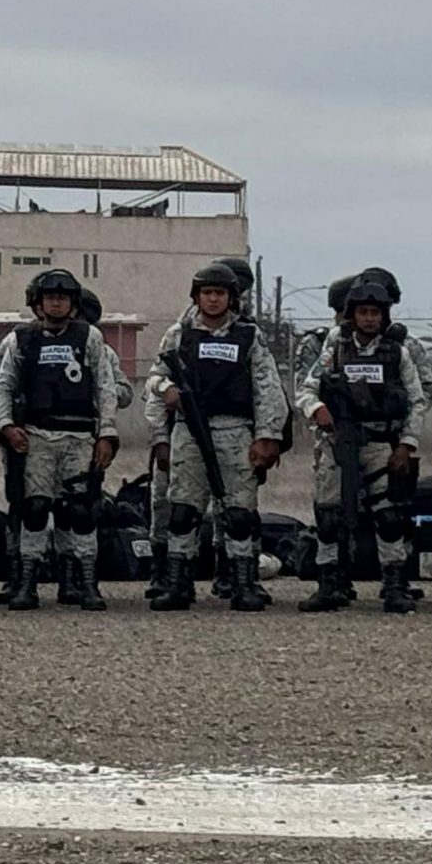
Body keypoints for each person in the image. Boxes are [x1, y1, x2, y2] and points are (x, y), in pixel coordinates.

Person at [143, 261, 287, 611]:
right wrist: (168, 389)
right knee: (183, 511)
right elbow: (154, 376)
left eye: (219, 293)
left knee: (239, 513)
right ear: (196, 296)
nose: (212, 300)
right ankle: (178, 584)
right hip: (189, 432)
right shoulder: (179, 335)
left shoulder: (249, 337)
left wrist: (268, 435)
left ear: (231, 298)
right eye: (206, 293)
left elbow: (267, 389)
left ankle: (243, 583)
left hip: (235, 431)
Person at [0, 266, 123, 611]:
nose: (56, 304)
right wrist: (5, 425)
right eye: (50, 298)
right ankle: (27, 584)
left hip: (79, 436)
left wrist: (106, 433)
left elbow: (107, 388)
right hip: (36, 437)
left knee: (80, 510)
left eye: (62, 298)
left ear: (73, 303)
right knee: (34, 509)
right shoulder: (22, 339)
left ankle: (87, 583)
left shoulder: (90, 339)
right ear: (37, 304)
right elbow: (1, 386)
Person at [296, 268, 430, 613]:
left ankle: (395, 584)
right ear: (351, 314)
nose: (368, 319)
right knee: (328, 517)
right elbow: (307, 388)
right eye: (362, 312)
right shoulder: (335, 349)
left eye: (375, 313)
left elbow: (417, 399)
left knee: (389, 518)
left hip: (381, 444)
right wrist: (317, 409)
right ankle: (328, 585)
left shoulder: (397, 352)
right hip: (338, 442)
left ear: (383, 316)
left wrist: (407, 445)